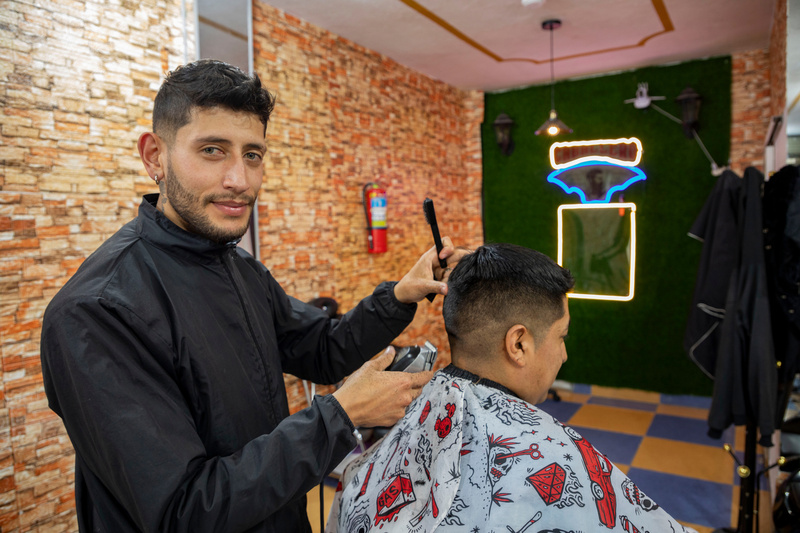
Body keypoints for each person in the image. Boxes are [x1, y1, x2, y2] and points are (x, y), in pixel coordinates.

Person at [40, 59, 465, 533]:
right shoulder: (96, 312)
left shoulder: (237, 266)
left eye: (253, 155)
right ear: (154, 156)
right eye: (212, 150)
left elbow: (321, 350)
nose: (239, 180)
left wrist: (399, 296)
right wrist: (343, 414)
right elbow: (183, 510)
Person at [327, 243, 696, 533]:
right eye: (561, 336)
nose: (564, 354)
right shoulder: (558, 460)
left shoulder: (412, 420)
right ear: (518, 344)